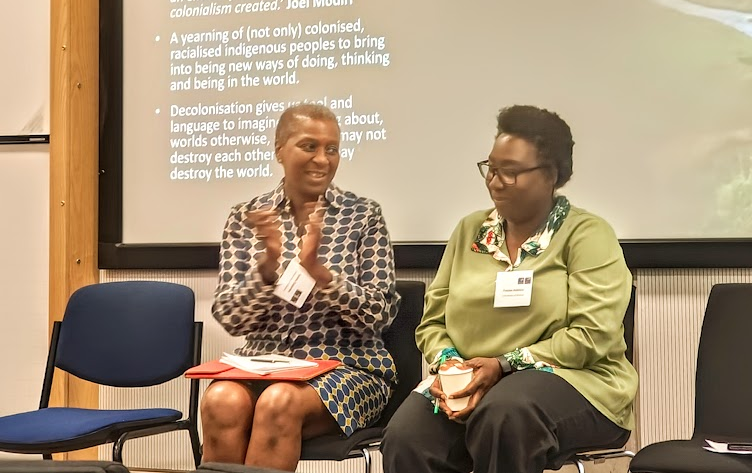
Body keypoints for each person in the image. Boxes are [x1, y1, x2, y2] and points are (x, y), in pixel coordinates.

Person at [382, 104, 637, 473]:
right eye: (491, 168)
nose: (495, 181)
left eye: (511, 172)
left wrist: (503, 366)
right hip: (470, 382)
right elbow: (433, 324)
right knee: (407, 435)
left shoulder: (587, 235)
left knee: (505, 414)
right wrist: (450, 366)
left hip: (576, 382)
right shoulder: (469, 231)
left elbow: (590, 336)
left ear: (551, 175)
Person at [200, 102, 399, 471]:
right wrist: (267, 271)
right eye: (309, 146)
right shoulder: (248, 216)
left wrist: (321, 275)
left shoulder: (363, 216)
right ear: (279, 150)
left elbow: (380, 314)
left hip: (349, 367)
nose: (322, 159)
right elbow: (229, 317)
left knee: (280, 402)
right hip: (262, 365)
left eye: (332, 149)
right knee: (220, 400)